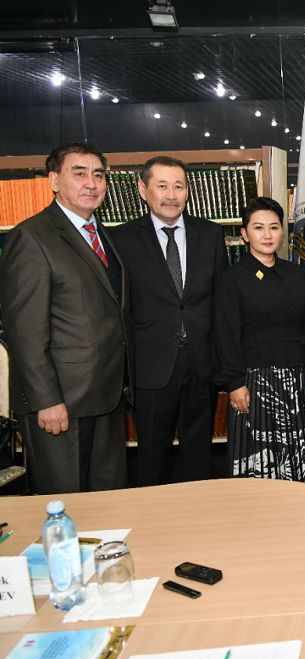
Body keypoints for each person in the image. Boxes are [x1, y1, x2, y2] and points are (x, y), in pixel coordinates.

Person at [0, 142, 128, 493]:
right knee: (65, 501)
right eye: (79, 173)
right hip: (61, 404)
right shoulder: (31, 237)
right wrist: (46, 400)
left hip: (107, 396)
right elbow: (24, 332)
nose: (92, 183)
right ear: (54, 180)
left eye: (98, 175)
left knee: (109, 499)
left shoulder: (102, 235)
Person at [111, 156, 228, 485]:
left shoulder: (211, 234)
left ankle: (199, 511)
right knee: (152, 457)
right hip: (150, 366)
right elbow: (119, 307)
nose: (171, 195)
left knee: (200, 454)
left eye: (179, 186)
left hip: (202, 363)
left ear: (188, 191)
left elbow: (221, 302)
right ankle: (154, 514)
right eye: (162, 186)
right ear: (142, 189)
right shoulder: (121, 240)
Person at [214, 197, 305, 484]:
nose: (267, 235)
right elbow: (226, 335)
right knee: (261, 457)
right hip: (255, 382)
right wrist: (235, 383)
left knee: (299, 458)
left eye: (274, 227)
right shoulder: (232, 278)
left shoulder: (296, 273)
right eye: (258, 227)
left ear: (282, 232)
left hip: (298, 378)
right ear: (244, 234)